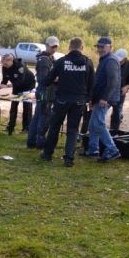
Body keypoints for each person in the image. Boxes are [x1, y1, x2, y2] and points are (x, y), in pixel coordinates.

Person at [39, 37, 95, 167]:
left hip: (62, 99)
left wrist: (58, 80)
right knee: (72, 129)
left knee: (55, 127)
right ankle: (69, 158)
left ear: (69, 48)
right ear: (82, 48)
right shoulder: (88, 63)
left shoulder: (62, 61)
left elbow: (47, 80)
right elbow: (92, 84)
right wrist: (88, 98)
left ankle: (48, 153)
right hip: (79, 101)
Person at [84, 37, 122, 162]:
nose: (100, 49)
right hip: (99, 98)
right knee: (92, 124)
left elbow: (113, 81)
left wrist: (105, 98)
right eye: (98, 47)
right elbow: (99, 81)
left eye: (103, 47)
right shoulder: (104, 59)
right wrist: (93, 99)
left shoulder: (111, 60)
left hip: (106, 98)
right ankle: (93, 149)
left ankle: (112, 149)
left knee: (99, 124)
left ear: (110, 47)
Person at [27, 36, 59, 149]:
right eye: (52, 47)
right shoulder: (45, 59)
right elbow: (43, 78)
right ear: (46, 45)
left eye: (55, 47)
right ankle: (40, 141)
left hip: (42, 91)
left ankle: (31, 140)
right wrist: (57, 79)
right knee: (44, 116)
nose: (54, 49)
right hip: (44, 91)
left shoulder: (48, 58)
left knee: (38, 115)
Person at [0, 53, 36, 135]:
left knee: (26, 106)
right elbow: (5, 79)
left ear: (11, 60)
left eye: (6, 64)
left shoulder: (20, 65)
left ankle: (26, 127)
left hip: (27, 85)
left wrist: (9, 85)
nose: (5, 66)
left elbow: (20, 81)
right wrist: (0, 86)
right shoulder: (5, 67)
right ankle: (11, 126)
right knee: (14, 105)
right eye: (3, 64)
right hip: (16, 85)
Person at [112, 48, 129, 131]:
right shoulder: (110, 62)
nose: (118, 62)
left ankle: (114, 131)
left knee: (117, 113)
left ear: (125, 59)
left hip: (120, 93)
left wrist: (127, 86)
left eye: (121, 60)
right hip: (108, 91)